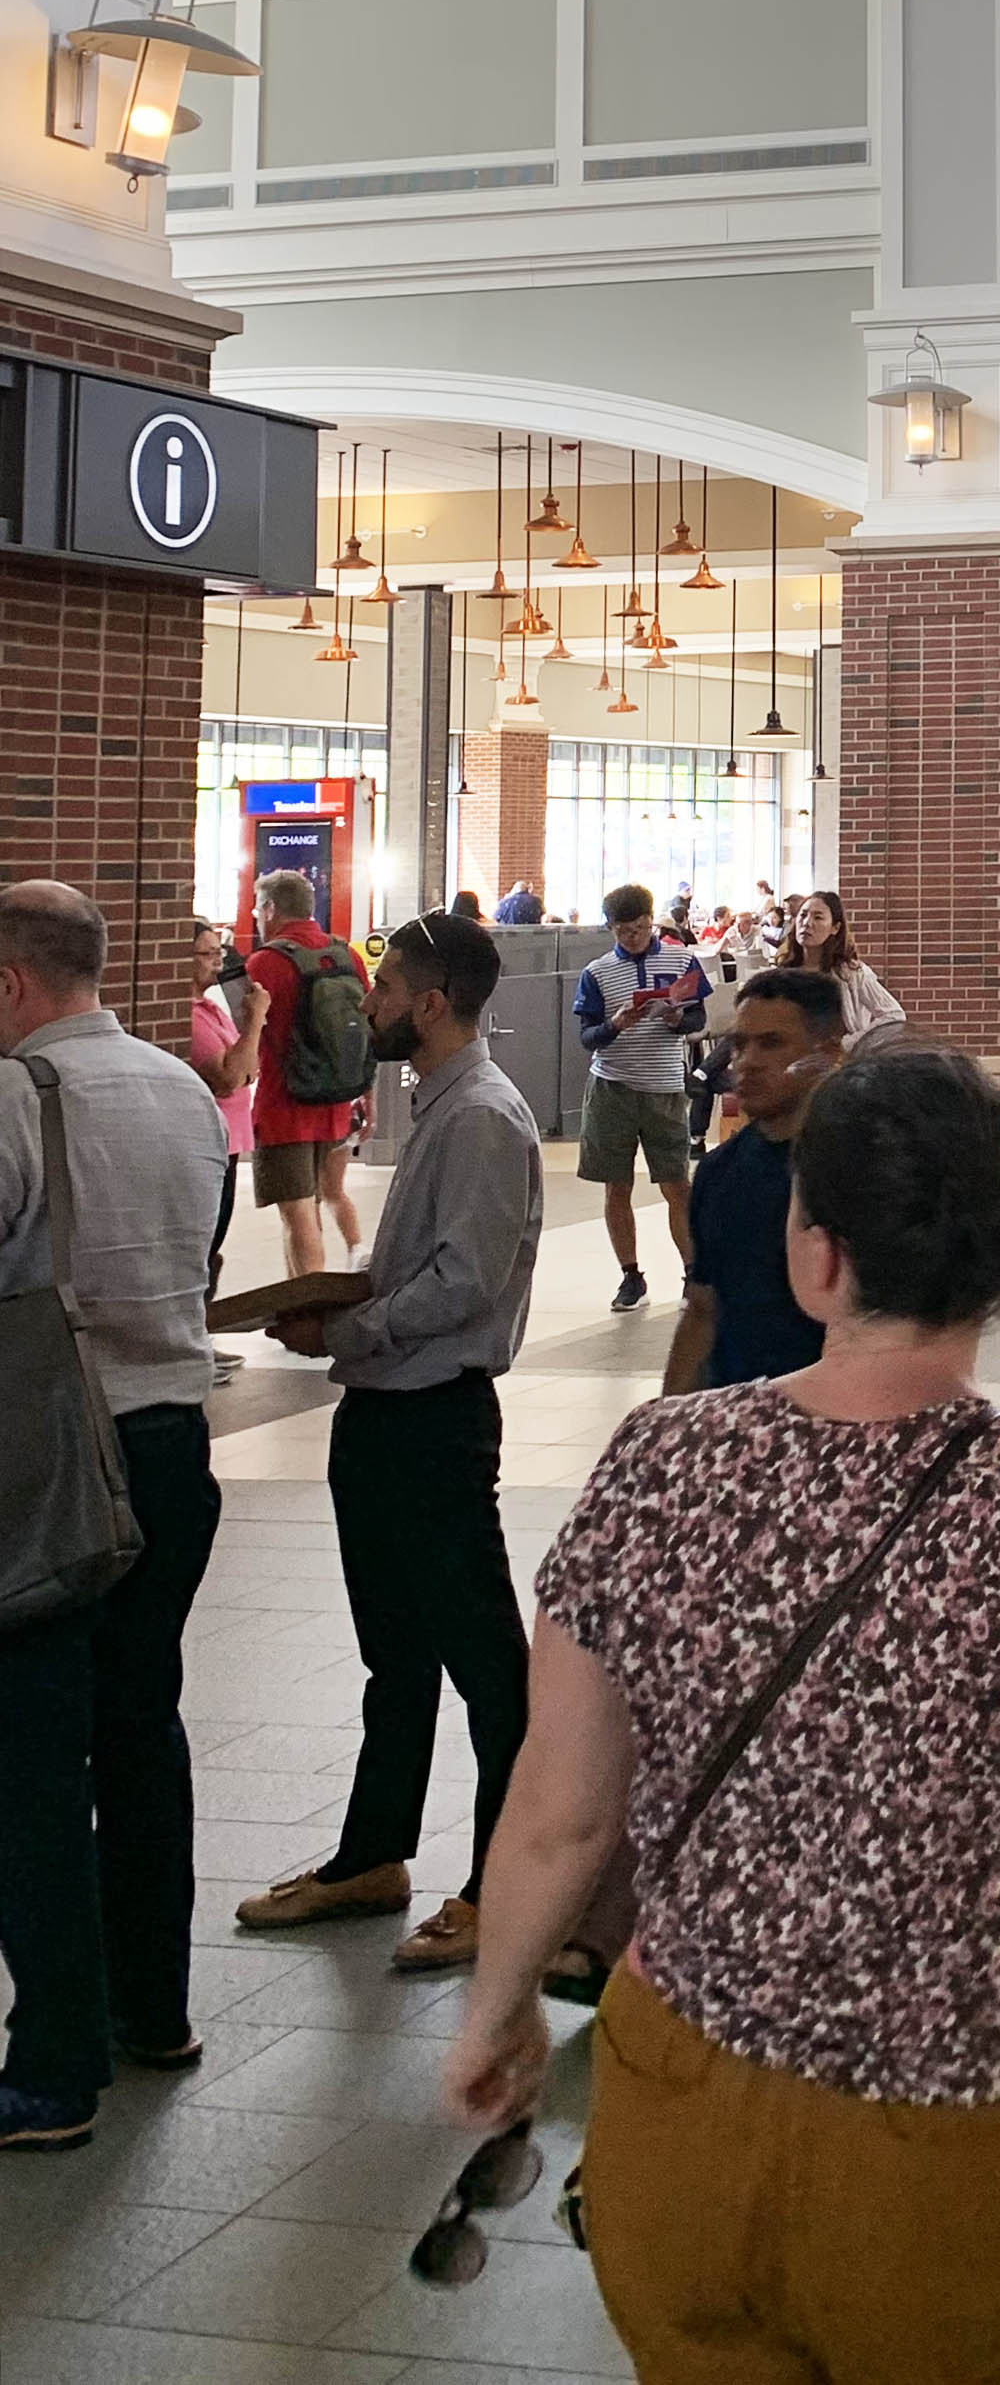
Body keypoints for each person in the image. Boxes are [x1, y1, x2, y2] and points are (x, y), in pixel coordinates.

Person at [442, 1042, 1000, 2384]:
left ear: (816, 1254)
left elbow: (560, 1811)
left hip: (685, 2105)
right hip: (984, 2148)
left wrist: (499, 2008)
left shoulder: (662, 1465)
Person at [238, 910, 543, 1979]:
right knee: (394, 1657)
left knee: (486, 1662)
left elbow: (463, 1282)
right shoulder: (443, 1104)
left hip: (434, 1418)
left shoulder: (483, 1117)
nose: (363, 1004)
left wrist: (345, 1325)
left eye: (382, 988)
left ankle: (503, 1878)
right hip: (386, 1410)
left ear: (428, 1000)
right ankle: (373, 1855)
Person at [0, 885, 229, 2152]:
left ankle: (52, 2064)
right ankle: (157, 2007)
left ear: (12, 983)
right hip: (173, 1438)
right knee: (143, 1721)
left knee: (34, 1754)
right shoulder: (180, 1085)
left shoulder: (14, 1095)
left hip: (52, 1456)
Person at [662, 969, 846, 1397]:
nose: (747, 1062)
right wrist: (667, 1425)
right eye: (740, 1045)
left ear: (828, 1053)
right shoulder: (719, 1172)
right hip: (741, 1425)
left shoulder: (864, 1169)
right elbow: (703, 1311)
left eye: (772, 1043)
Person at [573, 882, 704, 1315]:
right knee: (617, 1184)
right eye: (624, 931)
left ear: (653, 921)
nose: (634, 937)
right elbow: (588, 1037)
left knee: (676, 1184)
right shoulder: (597, 973)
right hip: (613, 1086)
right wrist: (614, 1025)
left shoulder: (680, 959)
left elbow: (700, 1015)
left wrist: (677, 1018)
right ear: (610, 928)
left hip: (665, 1086)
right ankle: (630, 1274)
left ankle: (693, 1273)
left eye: (642, 928)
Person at [244, 869, 365, 1279]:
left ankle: (309, 1306)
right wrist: (368, 1096)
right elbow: (367, 1031)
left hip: (284, 1106)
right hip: (336, 1103)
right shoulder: (346, 955)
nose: (256, 917)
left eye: (258, 908)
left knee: (297, 1211)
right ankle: (297, 1296)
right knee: (315, 1200)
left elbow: (246, 1035)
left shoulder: (264, 963)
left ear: (272, 909)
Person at [187, 915, 263, 1310]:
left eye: (219, 952)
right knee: (203, 1241)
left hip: (232, 1140)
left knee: (216, 1239)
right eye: (207, 954)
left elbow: (250, 1068)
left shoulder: (213, 1010)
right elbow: (230, 1076)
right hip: (209, 1141)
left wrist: (248, 1038)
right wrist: (254, 1021)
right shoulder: (189, 1017)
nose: (218, 961)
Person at [789, 888, 905, 1050]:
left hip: (836, 1062)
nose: (807, 923)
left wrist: (849, 1043)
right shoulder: (785, 972)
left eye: (818, 917)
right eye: (803, 915)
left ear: (835, 928)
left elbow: (893, 1015)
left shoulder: (851, 973)